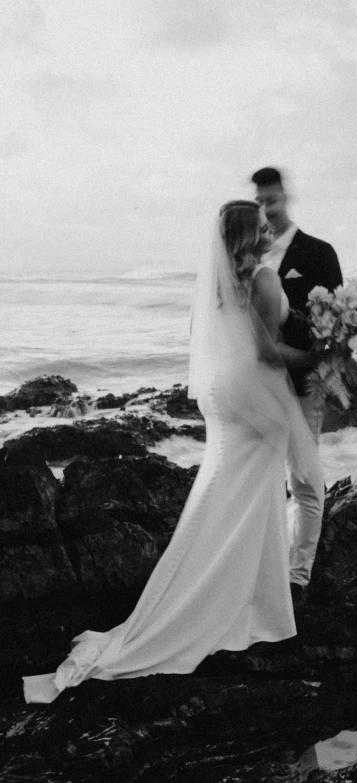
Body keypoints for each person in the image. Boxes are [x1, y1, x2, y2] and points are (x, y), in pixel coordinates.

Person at [23, 200, 324, 704]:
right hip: (257, 391)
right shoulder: (265, 280)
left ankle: (233, 590)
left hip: (223, 397)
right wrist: (322, 354)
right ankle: (257, 600)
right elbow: (267, 353)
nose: (272, 230)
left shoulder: (212, 287)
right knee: (260, 490)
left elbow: (212, 347)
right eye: (264, 226)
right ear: (250, 236)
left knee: (228, 487)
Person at [252, 167, 343, 595]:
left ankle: (298, 577)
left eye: (273, 199)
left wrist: (327, 376)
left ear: (286, 197)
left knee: (304, 478)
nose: (267, 209)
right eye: (260, 202)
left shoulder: (318, 252)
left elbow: (341, 326)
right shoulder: (250, 255)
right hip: (257, 386)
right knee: (263, 478)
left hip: (303, 382)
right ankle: (269, 564)